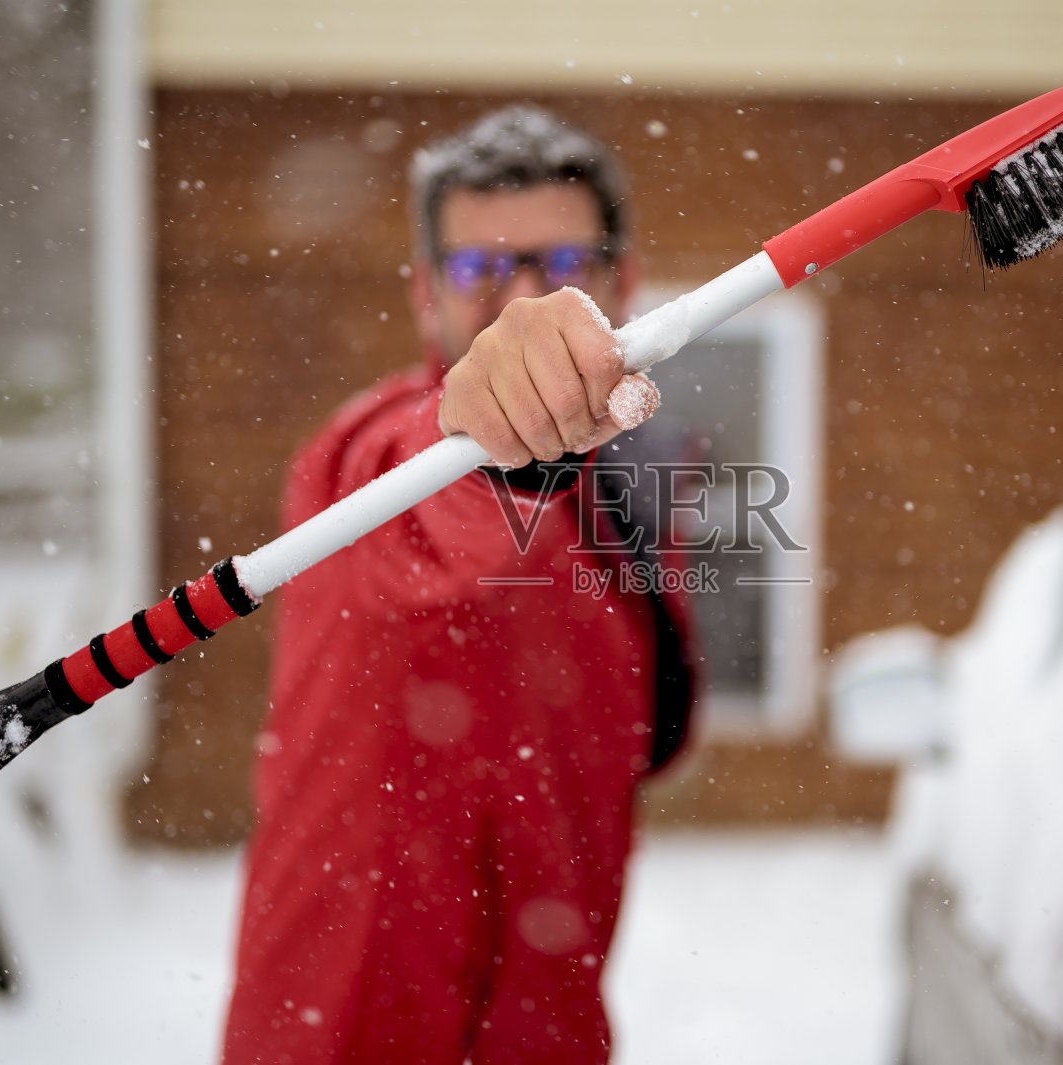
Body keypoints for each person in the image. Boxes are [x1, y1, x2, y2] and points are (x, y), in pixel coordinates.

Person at [221, 105, 697, 1065]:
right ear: (425, 296)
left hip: (544, 1028)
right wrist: (495, 452)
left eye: (559, 268)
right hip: (344, 1032)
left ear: (624, 283)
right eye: (479, 270)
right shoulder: (370, 464)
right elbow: (443, 525)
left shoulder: (624, 501)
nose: (519, 303)